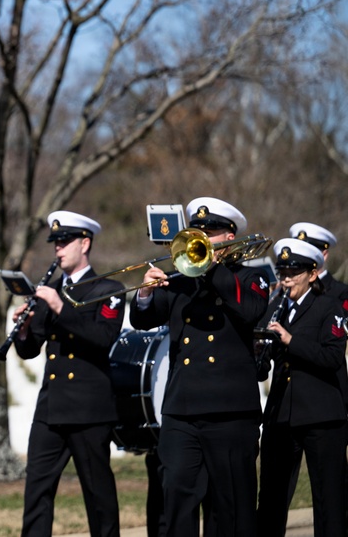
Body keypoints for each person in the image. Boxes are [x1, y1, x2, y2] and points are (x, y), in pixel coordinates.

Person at [130, 197, 270, 537]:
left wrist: (212, 268)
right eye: (199, 232)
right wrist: (145, 294)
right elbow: (143, 319)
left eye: (213, 232)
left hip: (231, 412)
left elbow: (250, 310)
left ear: (231, 236)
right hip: (182, 410)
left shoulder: (253, 277)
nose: (204, 238)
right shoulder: (181, 280)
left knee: (232, 509)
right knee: (177, 498)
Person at [13, 211, 125, 537]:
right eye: (55, 243)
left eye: (65, 242)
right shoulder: (51, 292)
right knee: (37, 491)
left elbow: (102, 338)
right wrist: (23, 331)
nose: (58, 249)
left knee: (98, 493)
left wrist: (60, 308)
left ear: (85, 243)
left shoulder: (108, 289)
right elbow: (30, 349)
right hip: (51, 406)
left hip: (89, 408)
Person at [255, 238, 348, 537]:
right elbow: (265, 366)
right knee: (271, 497)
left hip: (322, 417)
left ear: (311, 273)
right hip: (282, 415)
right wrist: (258, 352)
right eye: (282, 272)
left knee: (328, 500)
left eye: (293, 273)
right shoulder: (275, 307)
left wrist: (290, 341)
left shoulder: (329, 307)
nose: (286, 279)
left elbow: (332, 357)